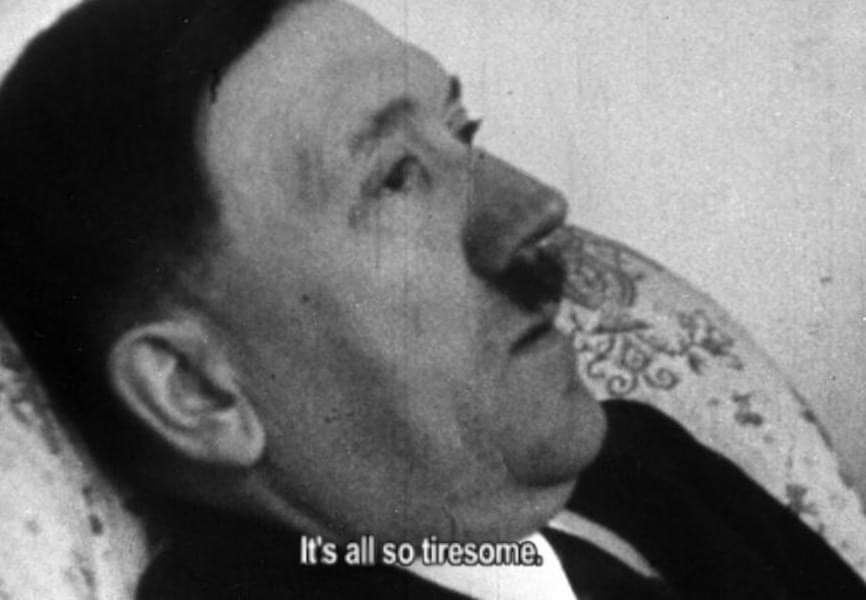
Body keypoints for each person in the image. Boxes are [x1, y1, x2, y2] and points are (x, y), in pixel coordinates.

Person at [0, 0, 862, 597]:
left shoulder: (642, 460)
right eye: (397, 178)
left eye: (462, 132)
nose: (534, 208)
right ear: (198, 391)